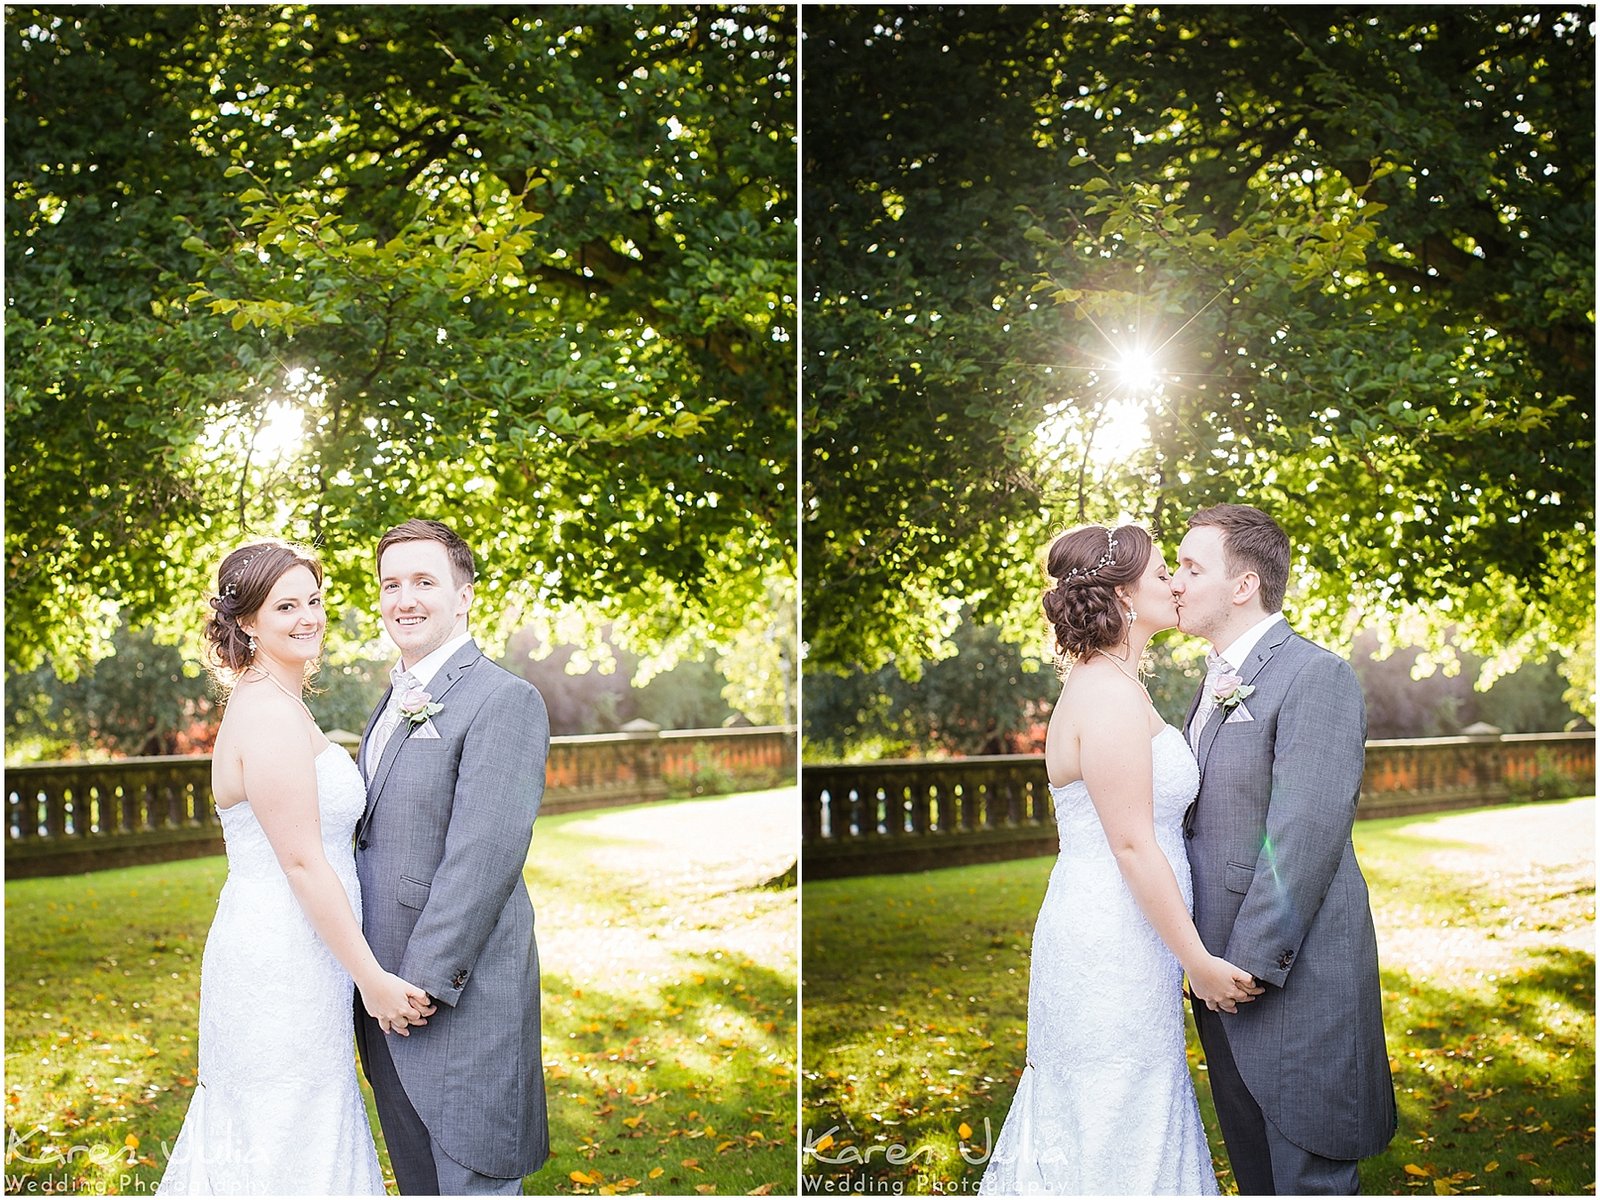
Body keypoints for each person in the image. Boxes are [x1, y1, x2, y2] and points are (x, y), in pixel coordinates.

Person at [980, 523, 1261, 1196]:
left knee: (1133, 1090)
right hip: (1108, 936)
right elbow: (1132, 844)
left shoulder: (1118, 685)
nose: (1175, 584)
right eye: (1164, 572)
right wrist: (1199, 964)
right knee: (1111, 1099)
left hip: (1134, 932)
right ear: (1124, 596)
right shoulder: (1103, 694)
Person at [161, 540, 434, 1195]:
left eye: (313, 600)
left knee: (302, 1116)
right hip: (280, 956)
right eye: (286, 605)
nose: (308, 616)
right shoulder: (266, 714)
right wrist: (372, 979)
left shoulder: (279, 703)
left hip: (304, 950)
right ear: (248, 621)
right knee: (282, 1125)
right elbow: (304, 862)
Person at [1173, 503, 1396, 1194]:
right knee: (1257, 1176)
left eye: (1190, 567)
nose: (1174, 581)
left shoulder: (1315, 676)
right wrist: (1200, 966)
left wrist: (1240, 970)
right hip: (1218, 980)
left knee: (1307, 1175)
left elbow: (1302, 837)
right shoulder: (1211, 683)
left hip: (1284, 978)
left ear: (1243, 586)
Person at [353, 518, 551, 1195]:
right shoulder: (392, 701)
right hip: (385, 993)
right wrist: (372, 981)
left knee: (472, 1181)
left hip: (452, 995)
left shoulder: (504, 700)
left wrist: (421, 983)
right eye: (391, 584)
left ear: (463, 595)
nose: (404, 599)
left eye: (424, 582)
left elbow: (484, 857)